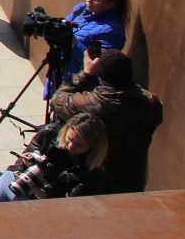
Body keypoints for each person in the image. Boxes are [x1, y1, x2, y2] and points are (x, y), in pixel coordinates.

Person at [48, 48, 166, 195]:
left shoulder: (92, 104)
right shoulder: (150, 102)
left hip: (96, 183)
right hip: (133, 180)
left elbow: (57, 99)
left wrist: (85, 73)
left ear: (101, 76)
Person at [0, 114, 109, 204]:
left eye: (79, 145)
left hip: (40, 203)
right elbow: (23, 161)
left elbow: (71, 202)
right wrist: (26, 162)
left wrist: (45, 193)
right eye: (69, 139)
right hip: (13, 180)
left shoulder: (91, 172)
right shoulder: (49, 135)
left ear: (93, 147)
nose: (71, 146)